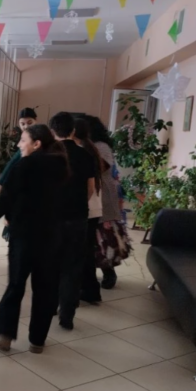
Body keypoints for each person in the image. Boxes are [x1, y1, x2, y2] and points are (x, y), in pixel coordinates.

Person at [0, 125, 68, 353]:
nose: (19, 144)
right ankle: (37, 340)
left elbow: (6, 198)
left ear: (37, 144)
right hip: (52, 236)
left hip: (24, 235)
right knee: (44, 289)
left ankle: (5, 335)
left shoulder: (25, 164)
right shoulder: (62, 166)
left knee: (16, 285)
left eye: (23, 140)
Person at [49, 112, 96, 330]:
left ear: (53, 131)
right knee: (72, 266)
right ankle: (67, 315)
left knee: (50, 264)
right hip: (78, 217)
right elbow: (90, 188)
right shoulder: (85, 154)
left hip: (51, 218)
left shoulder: (48, 153)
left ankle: (49, 306)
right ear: (73, 130)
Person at [84, 115, 132, 289]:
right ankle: (89, 274)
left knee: (104, 236)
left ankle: (108, 271)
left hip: (103, 194)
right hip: (89, 194)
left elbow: (101, 166)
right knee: (90, 238)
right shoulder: (85, 145)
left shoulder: (102, 146)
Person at [73, 119, 107, 304]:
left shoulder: (82, 151)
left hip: (86, 209)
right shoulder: (89, 148)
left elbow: (89, 187)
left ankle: (89, 290)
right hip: (93, 209)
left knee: (83, 252)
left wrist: (79, 206)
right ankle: (90, 290)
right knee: (86, 251)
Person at [0, 107, 38, 197]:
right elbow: (13, 161)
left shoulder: (40, 136)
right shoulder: (25, 136)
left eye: (29, 123)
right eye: (22, 124)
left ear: (36, 120)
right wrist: (0, 183)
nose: (26, 127)